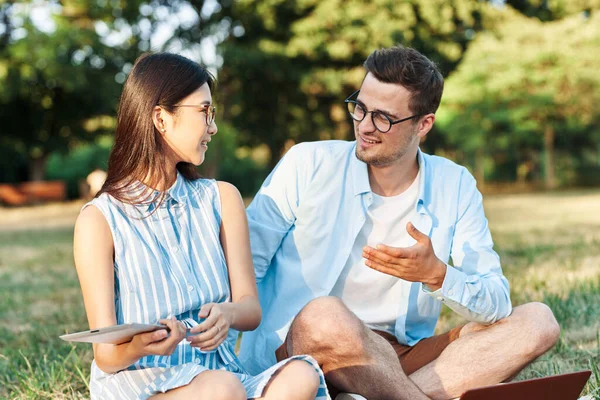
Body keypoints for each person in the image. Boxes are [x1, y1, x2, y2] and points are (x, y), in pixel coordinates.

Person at [239, 46, 561, 400]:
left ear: (424, 124)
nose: (364, 126)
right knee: (323, 315)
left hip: (396, 357)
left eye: (384, 118)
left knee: (538, 322)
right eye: (360, 108)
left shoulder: (455, 184)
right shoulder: (307, 164)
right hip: (303, 353)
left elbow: (496, 301)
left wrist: (438, 276)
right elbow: (243, 269)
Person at [73, 52, 329, 400]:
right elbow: (106, 356)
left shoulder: (222, 198)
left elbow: (250, 309)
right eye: (204, 112)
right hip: (144, 384)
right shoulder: (99, 220)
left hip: (223, 377)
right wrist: (143, 346)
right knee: (221, 390)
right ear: (161, 118)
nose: (213, 126)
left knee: (300, 375)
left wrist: (227, 314)